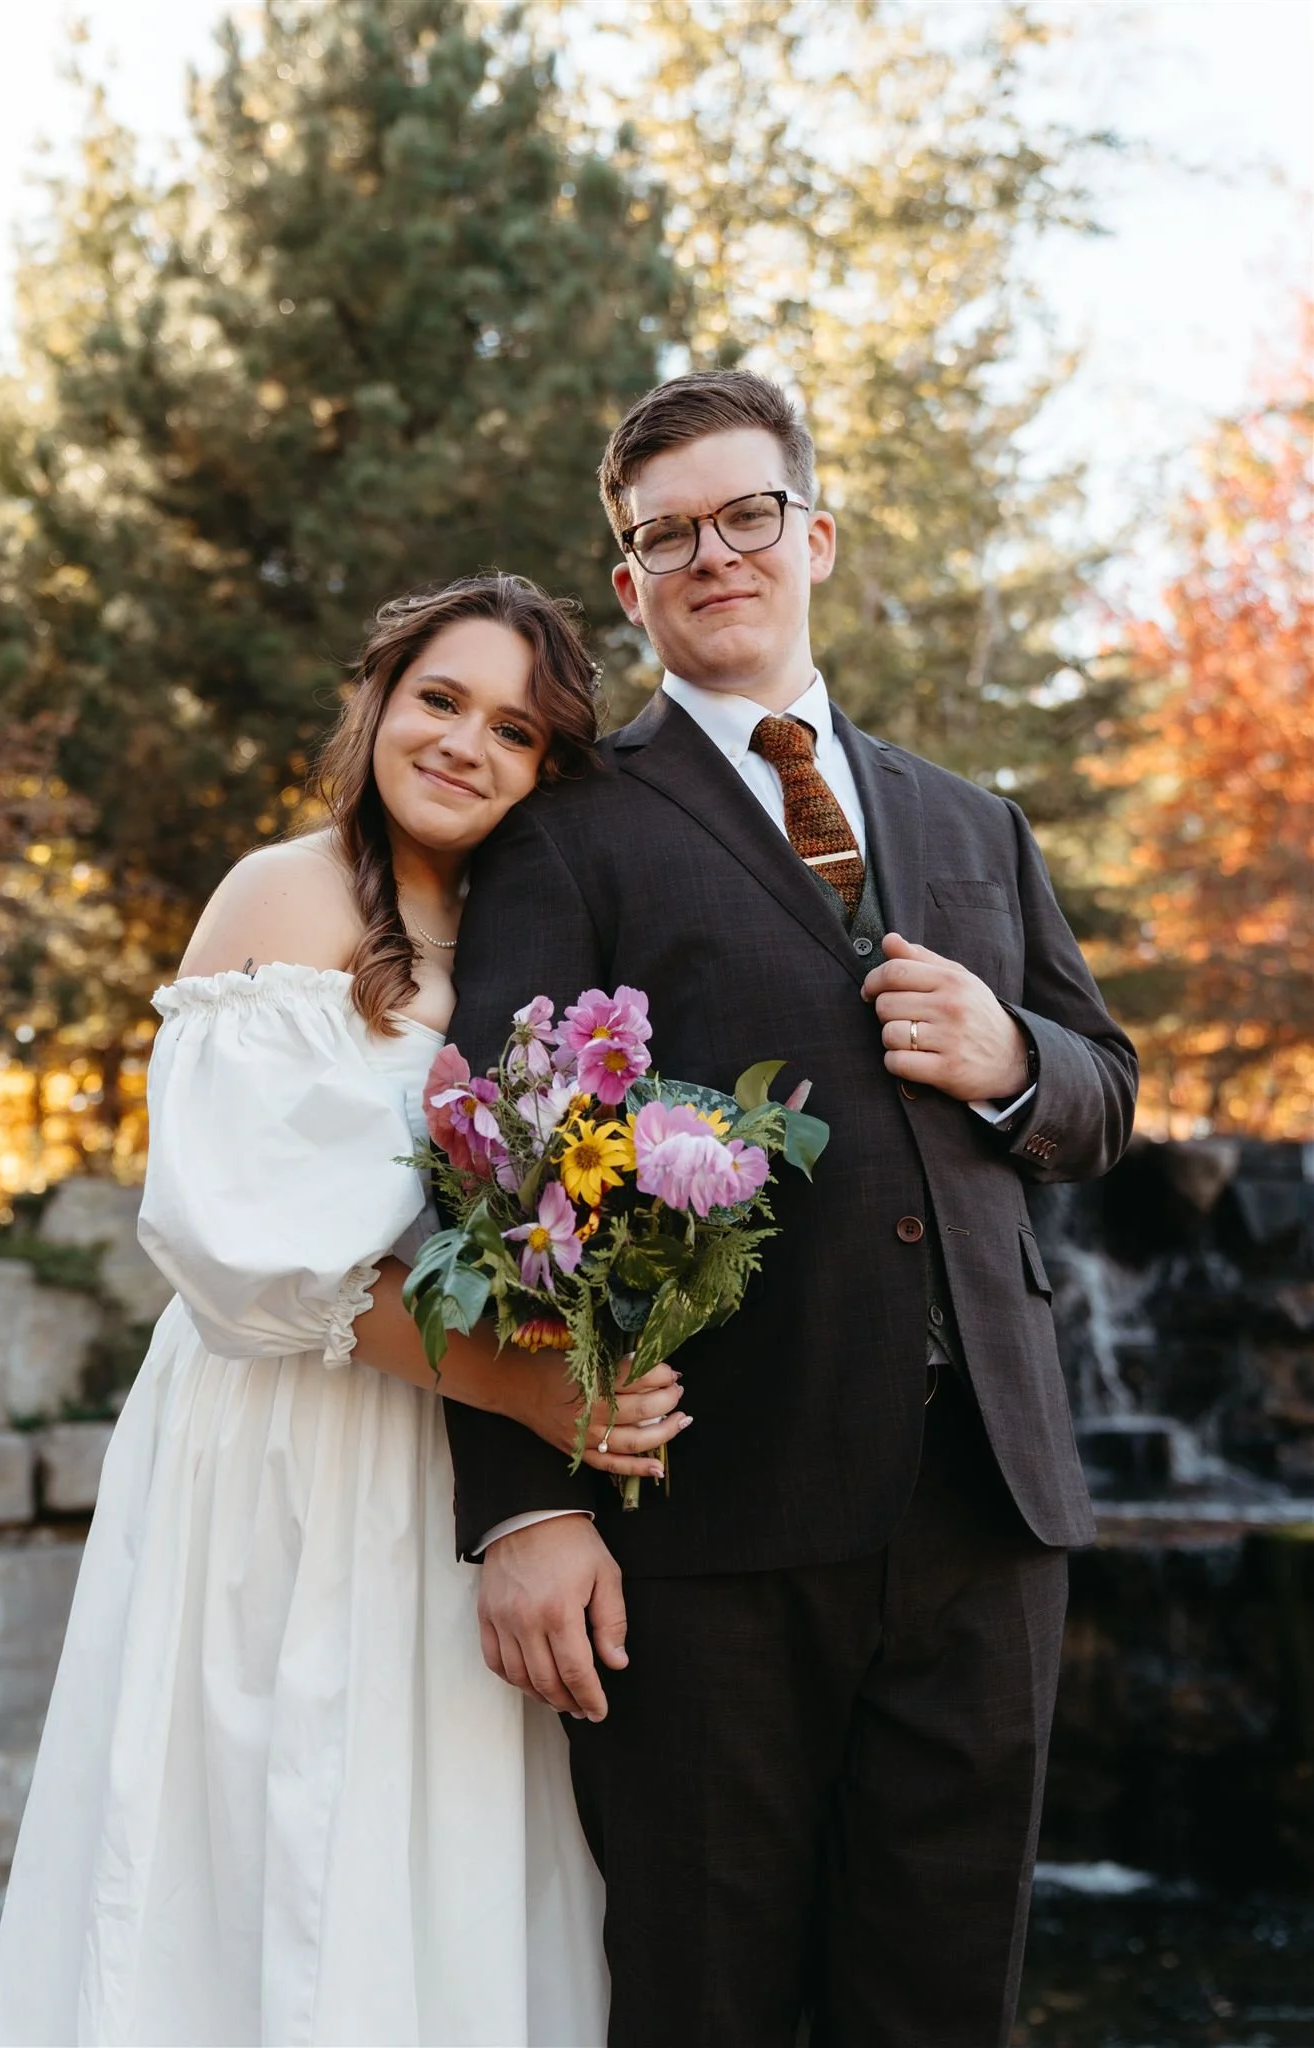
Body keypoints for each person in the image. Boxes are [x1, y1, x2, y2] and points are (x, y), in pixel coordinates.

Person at [444, 374, 1140, 2047]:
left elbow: (1106, 1085)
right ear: (630, 586)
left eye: (745, 513)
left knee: (936, 2008)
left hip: (985, 1511)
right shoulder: (567, 830)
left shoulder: (974, 821)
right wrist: (522, 1506)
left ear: (812, 533)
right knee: (705, 2005)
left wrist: (1011, 1058)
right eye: (663, 533)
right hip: (707, 1523)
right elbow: (490, 1163)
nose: (712, 553)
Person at [0, 575, 689, 2048]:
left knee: (437, 1837)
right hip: (287, 1437)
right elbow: (236, 1233)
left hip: (445, 1458)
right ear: (376, 699)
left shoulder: (531, 925)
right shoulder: (281, 890)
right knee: (268, 1822)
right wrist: (527, 1392)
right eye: (441, 700)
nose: (465, 746)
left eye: (516, 730)